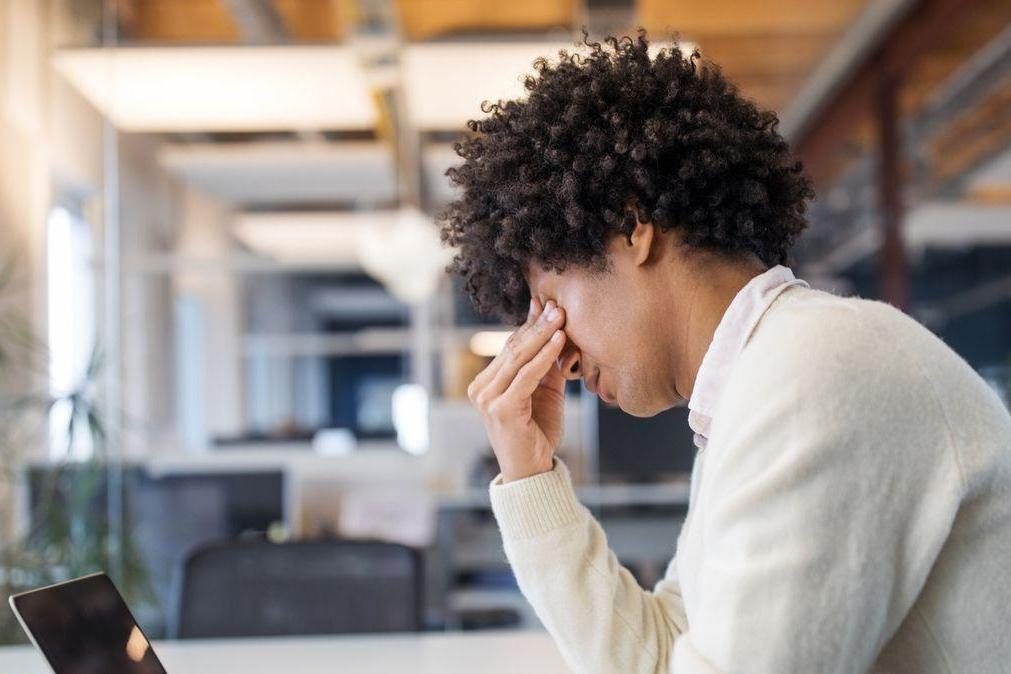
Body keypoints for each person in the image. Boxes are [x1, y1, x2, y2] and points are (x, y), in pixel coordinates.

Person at [438, 28, 1011, 674]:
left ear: (630, 230)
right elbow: (661, 656)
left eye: (549, 302)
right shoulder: (758, 387)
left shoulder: (817, 371)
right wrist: (530, 479)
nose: (558, 355)